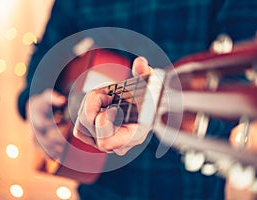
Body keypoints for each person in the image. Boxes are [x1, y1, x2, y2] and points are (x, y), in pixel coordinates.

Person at [17, 0, 257, 199]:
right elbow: (47, 50)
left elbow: (239, 86)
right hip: (98, 191)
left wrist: (149, 110)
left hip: (182, 187)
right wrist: (32, 100)